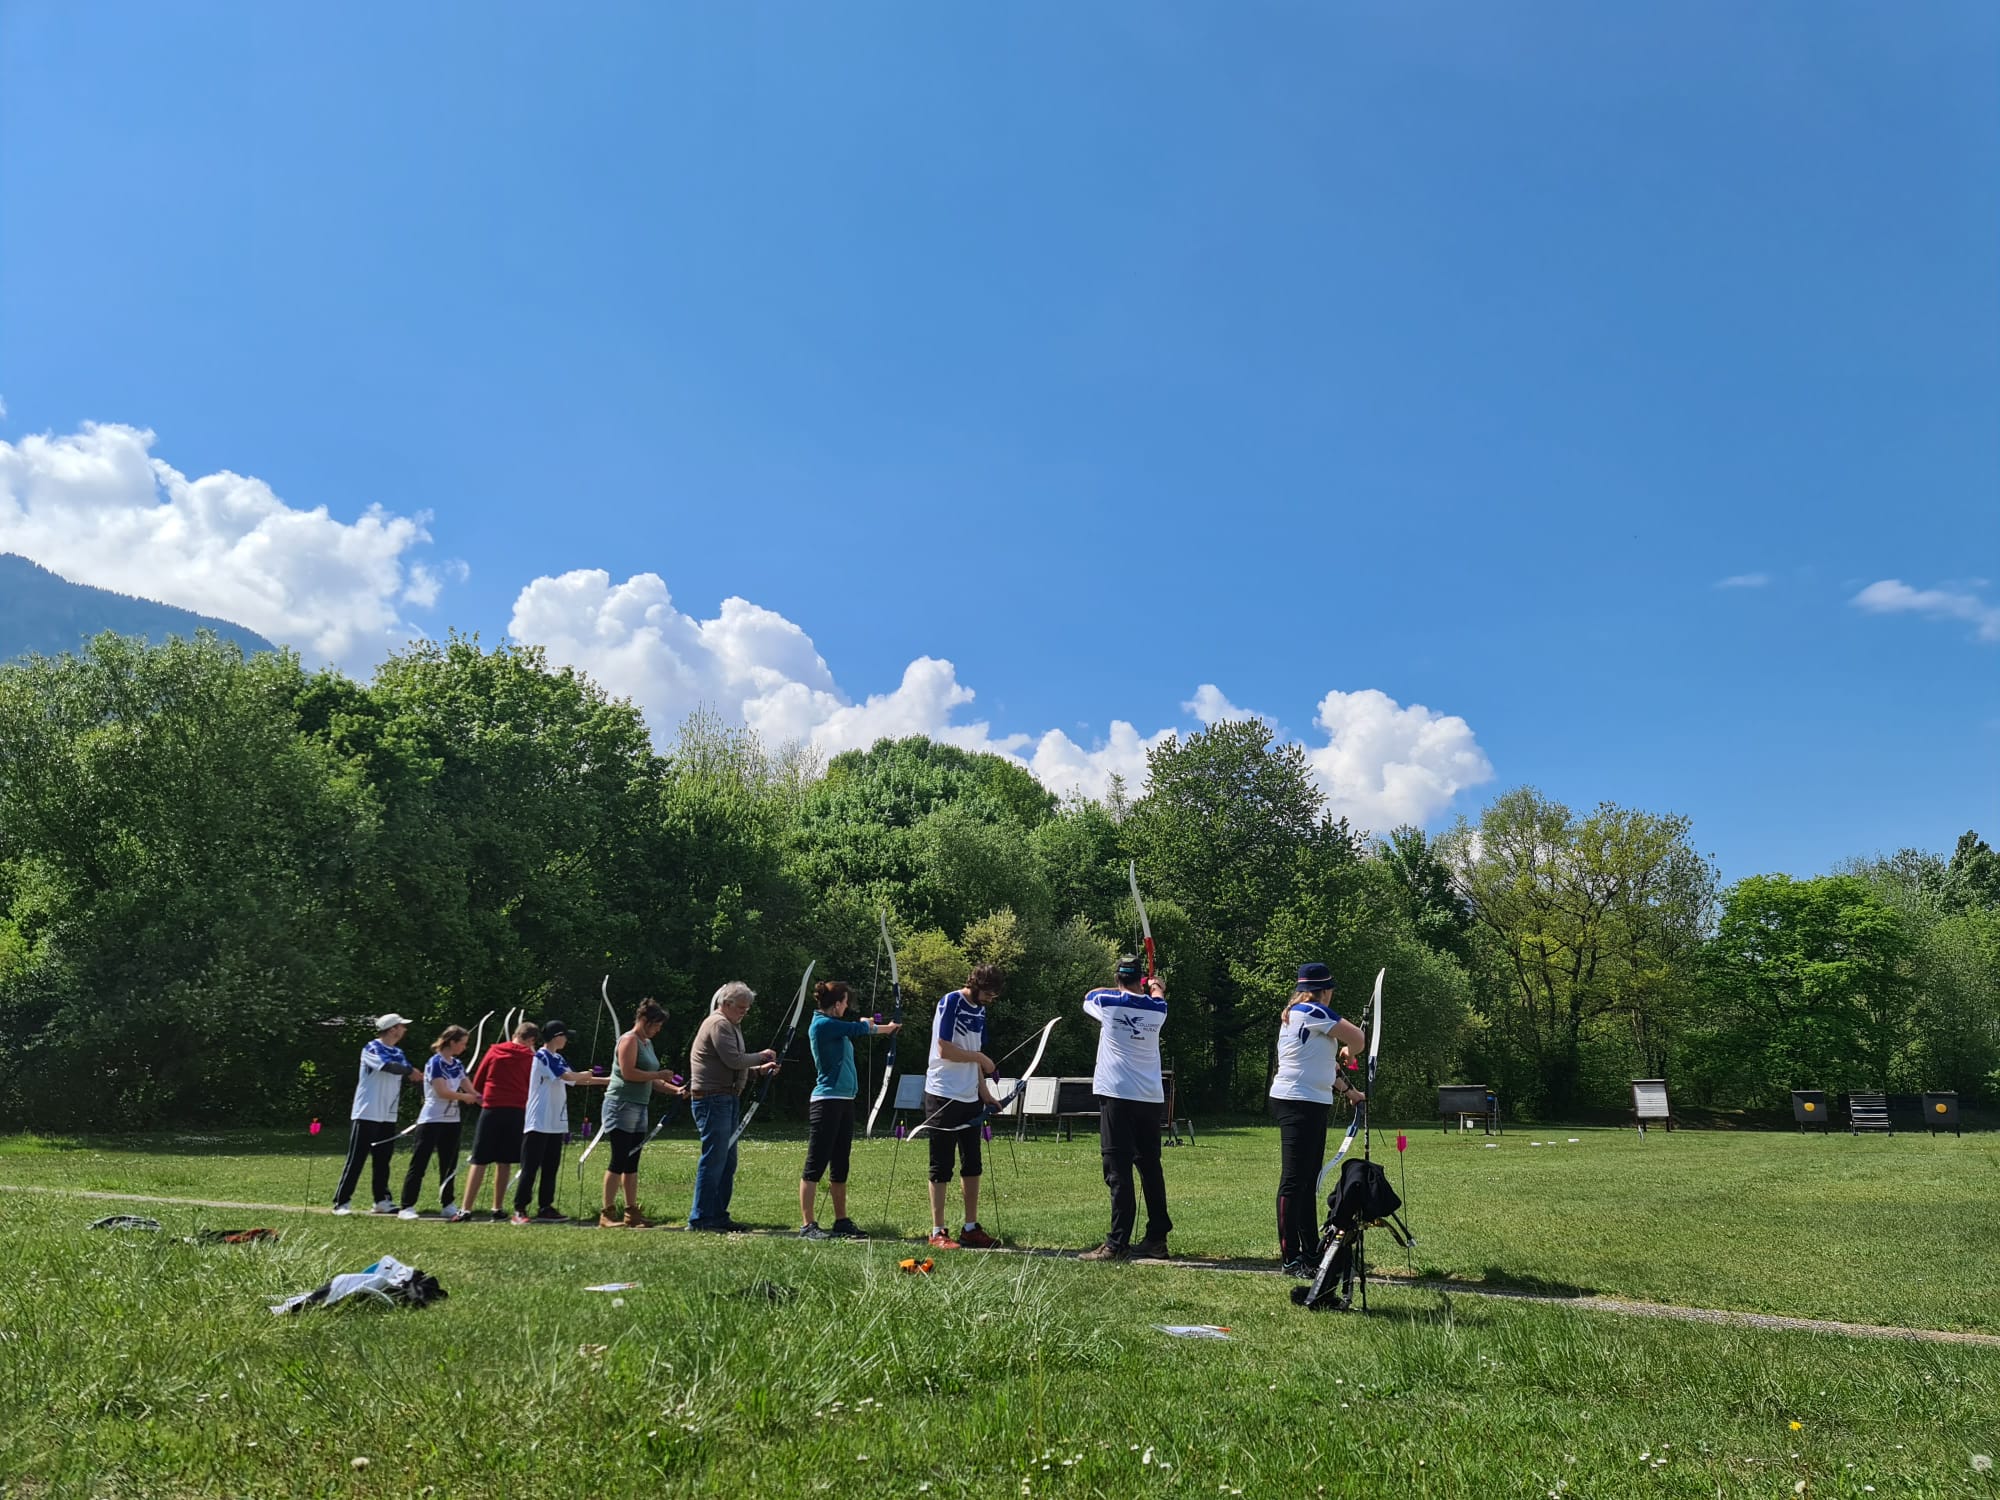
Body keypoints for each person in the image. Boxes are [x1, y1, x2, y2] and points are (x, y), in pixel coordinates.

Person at [1270, 962, 1368, 1276]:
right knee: (1294, 1181)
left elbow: (1323, 1066)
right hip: (1298, 1102)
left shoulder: (1298, 1014)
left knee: (1307, 1180)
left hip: (1308, 1102)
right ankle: (1291, 1258)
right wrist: (1350, 1051)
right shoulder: (1313, 1011)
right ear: (1324, 991)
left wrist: (1351, 1092)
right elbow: (1358, 1038)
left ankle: (1311, 1253)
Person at [1079, 956, 1172, 1261]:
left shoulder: (1107, 1001)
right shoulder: (1158, 1008)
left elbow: (1089, 995)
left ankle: (1118, 1243)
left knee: (1118, 1167)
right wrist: (1156, 988)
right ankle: (1157, 1238)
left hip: (1117, 1094)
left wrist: (1133, 987)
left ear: (1118, 978)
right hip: (1150, 1097)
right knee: (1150, 1168)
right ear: (1141, 979)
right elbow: (1157, 998)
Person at [798, 979, 899, 1240]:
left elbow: (857, 1028)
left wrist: (880, 1028)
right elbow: (857, 1028)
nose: (846, 1007)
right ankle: (808, 1225)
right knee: (815, 1163)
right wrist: (879, 1027)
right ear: (837, 1004)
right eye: (845, 1003)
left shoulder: (834, 1026)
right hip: (826, 1102)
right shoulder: (822, 1024)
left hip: (843, 1101)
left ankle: (841, 1221)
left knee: (840, 1163)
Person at [919, 964, 1006, 1250]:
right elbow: (944, 1048)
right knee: (941, 1164)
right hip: (943, 1093)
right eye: (989, 993)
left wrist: (985, 1094)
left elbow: (973, 1056)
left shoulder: (980, 1010)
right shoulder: (951, 1001)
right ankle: (937, 1231)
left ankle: (970, 1228)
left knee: (972, 1164)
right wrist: (981, 1058)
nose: (991, 999)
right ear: (977, 985)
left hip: (970, 1097)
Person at [686, 981, 779, 1231]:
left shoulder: (731, 1025)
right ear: (726, 1003)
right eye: (740, 1008)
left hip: (725, 1098)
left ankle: (718, 1215)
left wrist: (758, 1070)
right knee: (714, 1160)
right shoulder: (719, 1024)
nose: (744, 1012)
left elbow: (733, 1065)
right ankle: (701, 1218)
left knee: (727, 1162)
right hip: (713, 1099)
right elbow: (734, 1060)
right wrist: (762, 1056)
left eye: (747, 1009)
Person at [597, 998, 689, 1228]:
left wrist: (676, 1090)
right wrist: (658, 1075)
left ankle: (631, 1212)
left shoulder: (647, 1043)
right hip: (621, 1105)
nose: (658, 1030)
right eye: (656, 1025)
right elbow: (629, 1073)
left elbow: (652, 1080)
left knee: (632, 1161)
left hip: (639, 1106)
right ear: (645, 1020)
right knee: (619, 1158)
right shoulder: (629, 1040)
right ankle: (607, 1213)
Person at [512, 1019, 608, 1225]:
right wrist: (587, 1074)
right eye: (565, 1036)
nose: (566, 1040)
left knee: (551, 1167)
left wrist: (609, 1080)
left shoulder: (558, 1057)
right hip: (538, 1121)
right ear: (556, 1037)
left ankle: (545, 1207)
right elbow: (568, 1076)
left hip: (555, 1122)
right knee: (530, 1168)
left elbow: (576, 1080)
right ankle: (519, 1209)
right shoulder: (542, 1056)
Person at [332, 1013, 425, 1215]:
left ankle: (381, 1200)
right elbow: (388, 1066)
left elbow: (406, 1072)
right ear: (392, 1029)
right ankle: (341, 1202)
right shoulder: (372, 1048)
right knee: (356, 1158)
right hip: (367, 1112)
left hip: (387, 1114)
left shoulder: (398, 1052)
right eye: (401, 1026)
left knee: (383, 1159)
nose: (404, 1029)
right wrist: (410, 1071)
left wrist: (422, 1085)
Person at [398, 1024, 482, 1220]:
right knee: (420, 1163)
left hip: (452, 1121)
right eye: (462, 1043)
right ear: (451, 1042)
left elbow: (470, 1089)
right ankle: (407, 1206)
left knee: (449, 1164)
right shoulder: (435, 1062)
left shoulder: (457, 1064)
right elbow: (442, 1091)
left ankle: (448, 1203)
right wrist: (465, 1097)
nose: (464, 1047)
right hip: (431, 1119)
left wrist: (484, 1100)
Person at [464, 1017, 539, 1221]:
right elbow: (531, 1085)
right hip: (516, 1110)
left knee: (479, 1160)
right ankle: (497, 1207)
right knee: (504, 1161)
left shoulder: (495, 1050)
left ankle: (466, 1208)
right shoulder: (530, 1057)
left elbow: (479, 1079)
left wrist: (480, 1097)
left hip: (491, 1108)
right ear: (532, 1040)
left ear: (515, 1034)